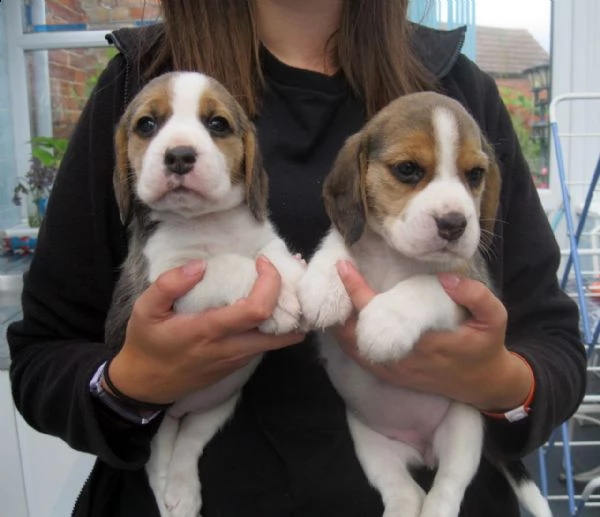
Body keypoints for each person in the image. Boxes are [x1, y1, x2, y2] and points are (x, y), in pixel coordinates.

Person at [7, 1, 586, 516]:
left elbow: (556, 346)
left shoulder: (459, 91)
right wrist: (127, 386)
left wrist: (502, 383)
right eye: (406, 171)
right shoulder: (141, 81)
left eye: (217, 126)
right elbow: (42, 358)